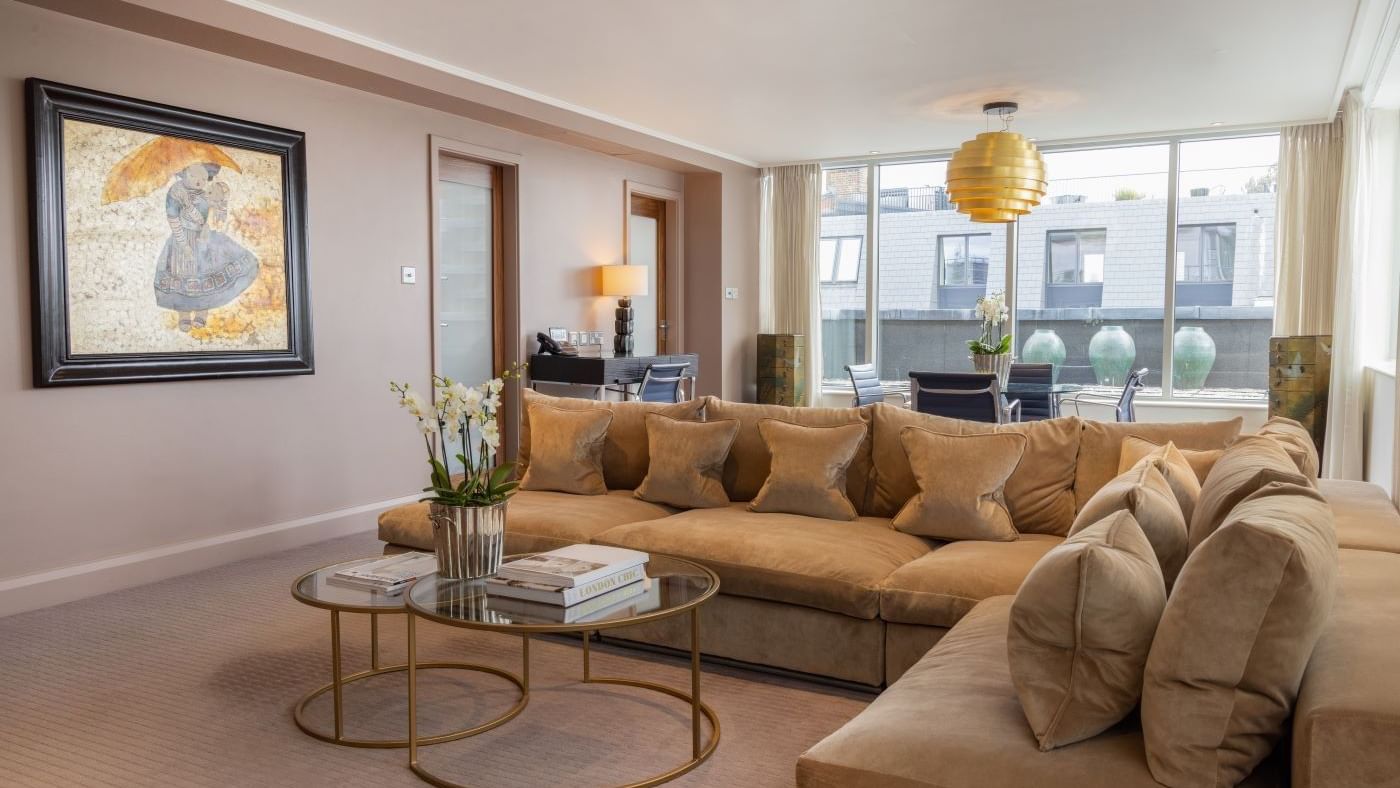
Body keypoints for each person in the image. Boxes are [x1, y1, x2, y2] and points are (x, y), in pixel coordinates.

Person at [153, 162, 259, 332]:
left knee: (206, 274)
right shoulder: (176, 193)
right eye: (194, 176)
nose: (199, 180)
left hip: (204, 239)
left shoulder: (204, 194)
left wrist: (221, 201)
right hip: (183, 239)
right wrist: (184, 245)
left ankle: (202, 313)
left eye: (203, 177)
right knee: (183, 275)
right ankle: (184, 315)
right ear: (184, 174)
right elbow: (173, 220)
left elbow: (217, 213)